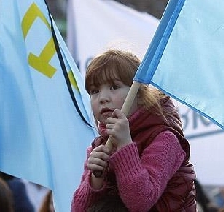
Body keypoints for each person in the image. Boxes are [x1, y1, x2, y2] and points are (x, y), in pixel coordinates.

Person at [72, 49, 196, 211]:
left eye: (114, 87)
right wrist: (96, 178)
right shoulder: (99, 146)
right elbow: (78, 209)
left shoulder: (165, 139)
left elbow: (140, 201)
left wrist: (124, 145)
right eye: (94, 91)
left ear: (139, 94)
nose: (102, 98)